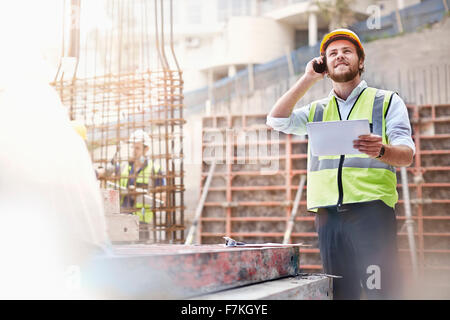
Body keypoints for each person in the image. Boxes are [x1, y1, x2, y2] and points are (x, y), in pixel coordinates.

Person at [266, 29, 415, 300]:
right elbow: (276, 120)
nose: (339, 56)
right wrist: (308, 78)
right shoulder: (317, 110)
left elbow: (406, 155)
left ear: (360, 61)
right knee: (339, 294)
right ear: (325, 64)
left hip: (371, 214)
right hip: (328, 219)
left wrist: (381, 150)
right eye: (332, 53)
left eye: (347, 51)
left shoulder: (386, 101)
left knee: (379, 292)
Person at [119, 129, 166, 231]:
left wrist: (143, 194)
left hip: (142, 220)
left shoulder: (155, 169)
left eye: (137, 148)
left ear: (146, 149)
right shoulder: (125, 167)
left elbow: (163, 196)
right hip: (124, 217)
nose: (133, 151)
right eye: (132, 147)